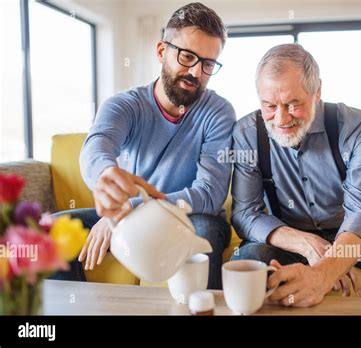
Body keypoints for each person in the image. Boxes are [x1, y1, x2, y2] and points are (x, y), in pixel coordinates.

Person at [231, 43, 361, 307]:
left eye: (293, 104)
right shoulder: (246, 133)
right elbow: (245, 214)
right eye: (269, 105)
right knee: (248, 262)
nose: (281, 118)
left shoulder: (358, 126)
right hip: (288, 234)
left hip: (350, 230)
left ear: (317, 91)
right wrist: (306, 244)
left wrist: (326, 270)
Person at [51, 2, 235, 289]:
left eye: (208, 64)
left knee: (206, 233)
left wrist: (131, 207)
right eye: (187, 57)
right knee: (49, 233)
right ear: (162, 51)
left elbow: (209, 195)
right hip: (130, 217)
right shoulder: (125, 105)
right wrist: (104, 178)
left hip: (189, 219)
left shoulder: (219, 112)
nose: (196, 73)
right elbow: (98, 145)